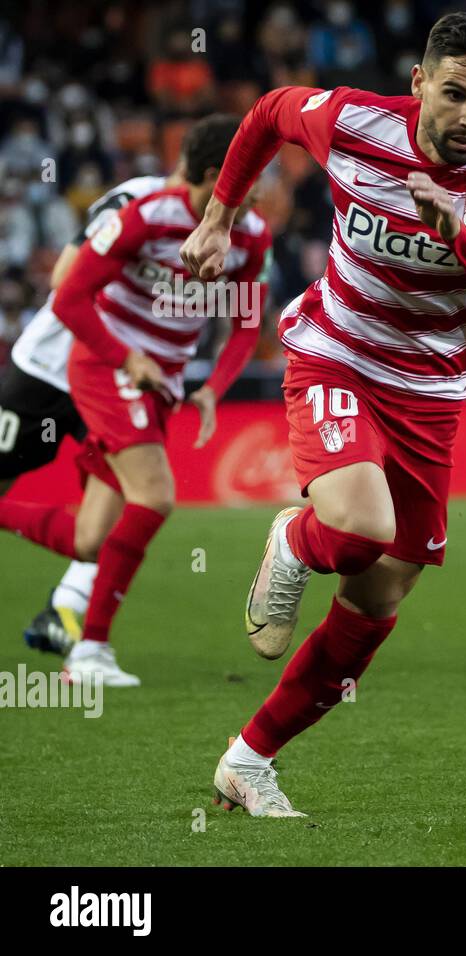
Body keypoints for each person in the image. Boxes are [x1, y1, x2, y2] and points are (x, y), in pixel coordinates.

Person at [179, 11, 466, 817]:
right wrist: (219, 214)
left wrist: (458, 232)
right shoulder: (355, 121)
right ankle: (293, 535)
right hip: (337, 353)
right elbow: (271, 110)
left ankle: (249, 761)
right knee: (355, 532)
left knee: (378, 599)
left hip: (432, 394)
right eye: (454, 94)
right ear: (419, 82)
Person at [0, 116, 271, 685]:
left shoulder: (250, 236)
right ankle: (90, 651)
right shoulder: (146, 211)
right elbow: (70, 294)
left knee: (89, 537)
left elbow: (246, 326)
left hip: (158, 386)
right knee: (155, 495)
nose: (256, 190)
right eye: (246, 176)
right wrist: (128, 358)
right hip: (94, 366)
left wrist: (211, 390)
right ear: (211, 177)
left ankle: (77, 633)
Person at [1, 164, 181, 657]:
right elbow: (66, 277)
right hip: (48, 367)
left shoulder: (225, 225)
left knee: (126, 499)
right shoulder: (138, 200)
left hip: (111, 379)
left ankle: (62, 610)